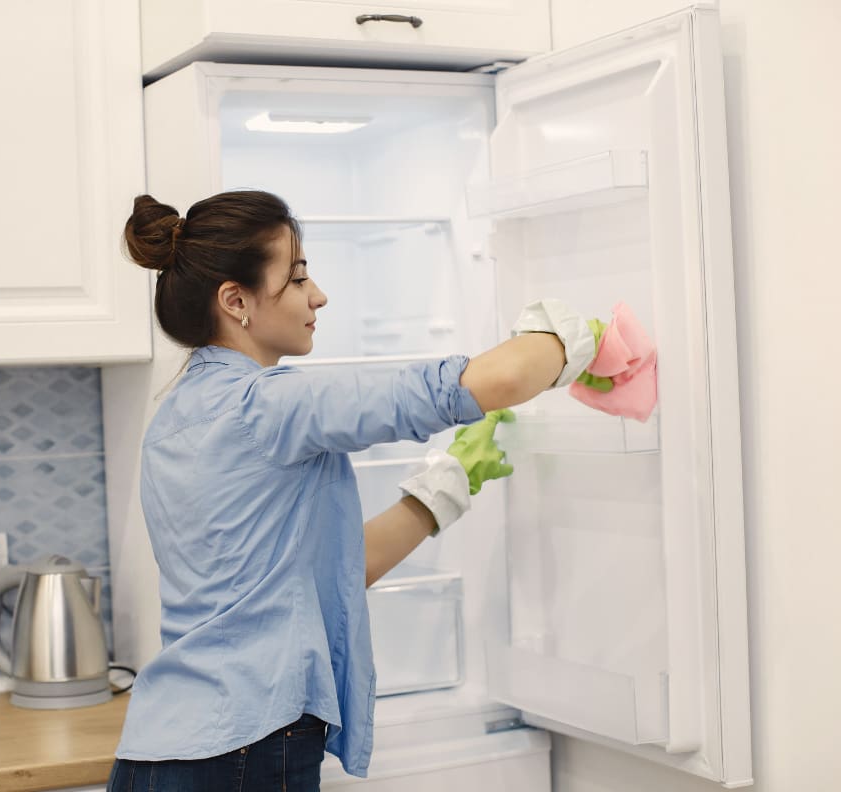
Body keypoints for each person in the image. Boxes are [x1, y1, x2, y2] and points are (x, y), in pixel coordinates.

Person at [108, 190, 596, 792]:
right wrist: (579, 337)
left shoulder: (175, 417)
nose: (318, 295)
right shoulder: (271, 405)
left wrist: (440, 491)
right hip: (246, 748)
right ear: (236, 301)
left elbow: (318, 575)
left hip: (156, 755)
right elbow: (493, 379)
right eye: (298, 277)